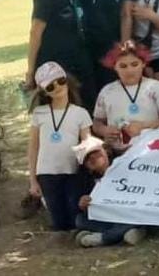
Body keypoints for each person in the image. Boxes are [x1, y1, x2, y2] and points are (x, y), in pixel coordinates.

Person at [26, 0, 97, 111]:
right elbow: (35, 32)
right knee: (61, 115)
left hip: (79, 61)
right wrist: (31, 70)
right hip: (55, 65)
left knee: (85, 111)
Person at [27, 62, 92, 232]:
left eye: (61, 81)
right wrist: (33, 180)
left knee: (74, 216)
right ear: (44, 91)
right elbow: (33, 148)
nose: (57, 87)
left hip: (72, 171)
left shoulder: (80, 113)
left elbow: (88, 144)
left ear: (67, 80)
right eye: (50, 86)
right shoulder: (39, 114)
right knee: (59, 223)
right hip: (47, 174)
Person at [92, 41, 159, 146]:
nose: (129, 70)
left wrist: (144, 126)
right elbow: (97, 122)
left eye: (134, 64)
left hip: (151, 149)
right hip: (119, 151)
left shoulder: (156, 87)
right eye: (123, 66)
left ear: (143, 64)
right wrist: (105, 130)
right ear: (114, 67)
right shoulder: (107, 91)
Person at [72, 136, 146, 247]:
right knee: (80, 220)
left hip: (129, 214)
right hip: (108, 218)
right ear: (87, 167)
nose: (93, 157)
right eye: (87, 158)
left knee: (138, 217)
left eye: (96, 152)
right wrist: (83, 204)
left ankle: (104, 238)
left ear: (105, 151)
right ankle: (129, 232)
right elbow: (81, 207)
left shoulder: (125, 166)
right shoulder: (84, 181)